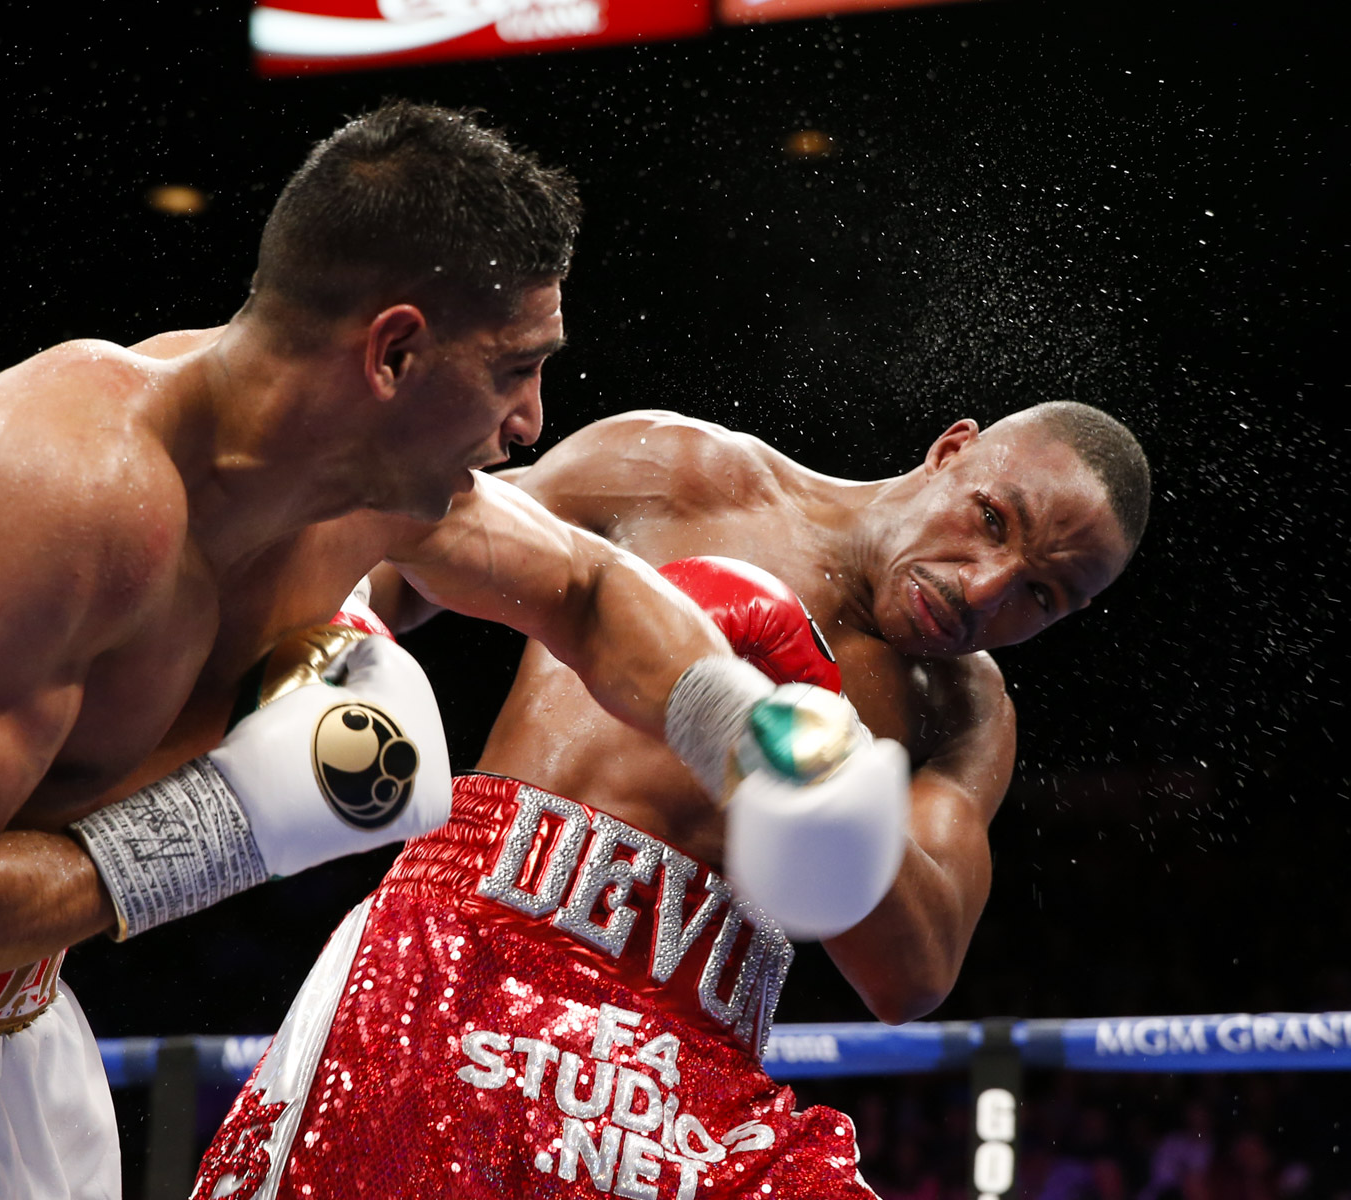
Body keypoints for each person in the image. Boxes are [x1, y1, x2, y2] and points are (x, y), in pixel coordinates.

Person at [0, 105, 891, 1200]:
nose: (530, 421)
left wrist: (747, 733)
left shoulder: (373, 495)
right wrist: (234, 822)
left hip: (9, 1016)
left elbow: (592, 591)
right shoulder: (66, 492)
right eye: (513, 370)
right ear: (394, 352)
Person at [193, 402, 1149, 1199]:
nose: (985, 589)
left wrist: (821, 753)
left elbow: (913, 976)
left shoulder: (967, 713)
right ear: (951, 451)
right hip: (462, 963)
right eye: (992, 521)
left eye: (1042, 596)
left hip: (687, 1069)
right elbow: (403, 547)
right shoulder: (683, 473)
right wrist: (330, 661)